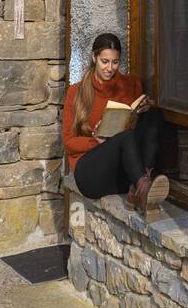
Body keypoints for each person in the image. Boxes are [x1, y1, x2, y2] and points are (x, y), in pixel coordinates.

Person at [63, 32, 168, 215]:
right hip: (91, 174)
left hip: (123, 173)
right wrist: (96, 141)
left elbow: (137, 135)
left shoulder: (131, 84)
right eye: (105, 61)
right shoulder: (76, 91)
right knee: (124, 136)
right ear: (94, 58)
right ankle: (144, 190)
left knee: (154, 115)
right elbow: (68, 142)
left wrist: (141, 113)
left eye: (115, 62)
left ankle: (139, 187)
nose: (110, 68)